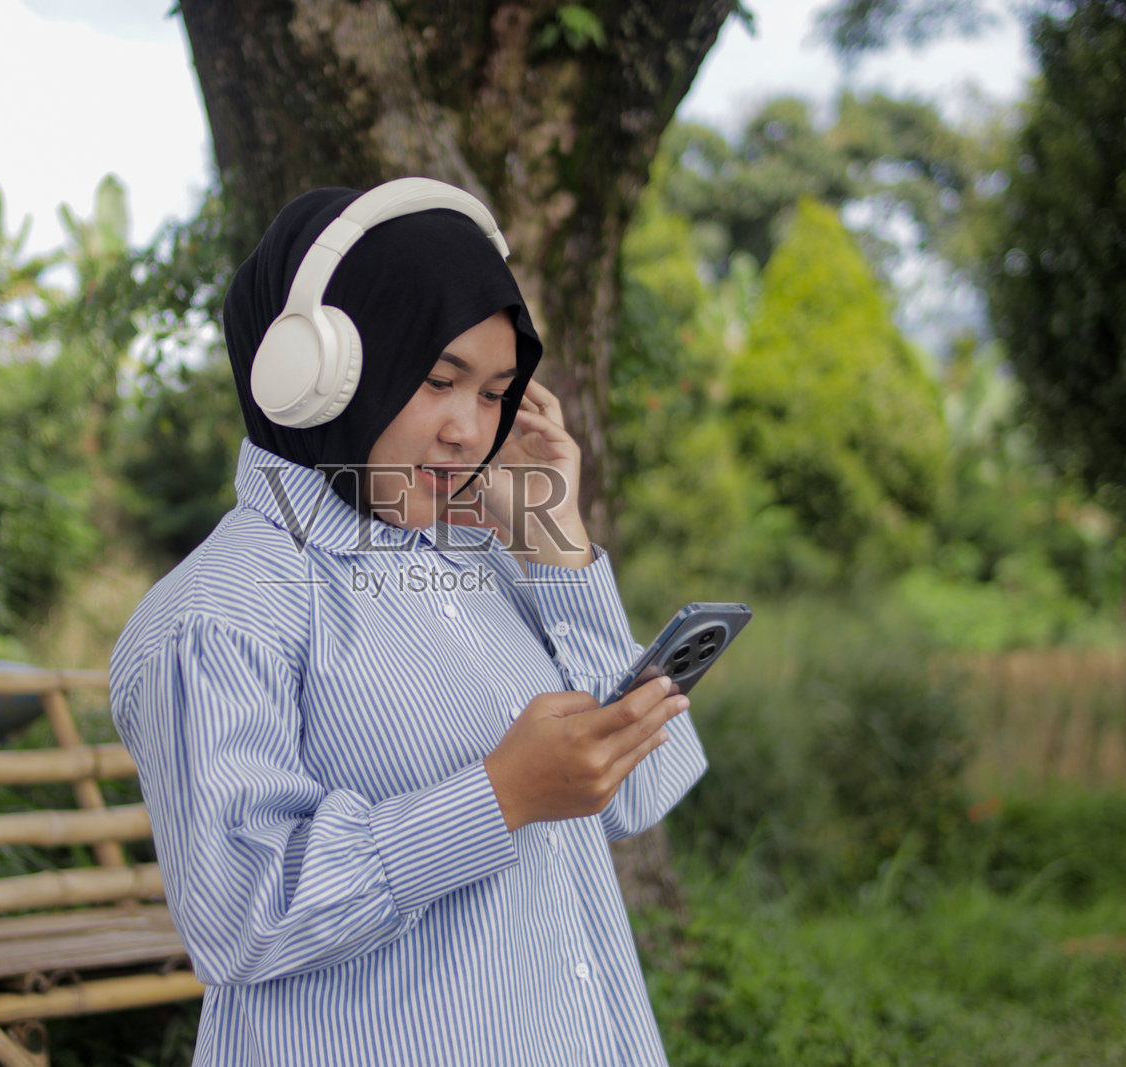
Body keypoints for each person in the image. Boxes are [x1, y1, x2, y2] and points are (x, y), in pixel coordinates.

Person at [109, 178, 707, 1066]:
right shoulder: (219, 614)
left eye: (499, 389)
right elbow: (239, 917)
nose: (471, 428)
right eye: (439, 380)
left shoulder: (484, 556)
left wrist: (558, 540)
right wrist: (498, 795)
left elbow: (644, 790)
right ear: (315, 378)